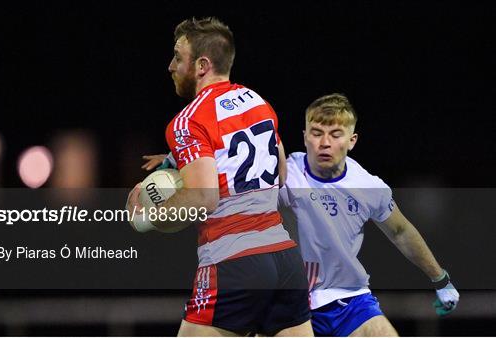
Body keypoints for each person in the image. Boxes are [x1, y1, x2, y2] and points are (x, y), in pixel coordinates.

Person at [126, 17, 313, 337]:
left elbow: (203, 197)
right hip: (284, 258)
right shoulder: (258, 103)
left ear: (201, 65)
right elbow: (281, 174)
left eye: (177, 57)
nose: (171, 66)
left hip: (234, 262)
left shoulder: (188, 120)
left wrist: (148, 216)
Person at [279, 93, 460, 336]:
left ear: (352, 140)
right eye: (316, 132)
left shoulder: (367, 186)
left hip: (348, 299)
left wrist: (441, 279)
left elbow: (400, 231)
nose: (324, 142)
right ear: (304, 137)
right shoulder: (284, 176)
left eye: (335, 134)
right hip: (292, 301)